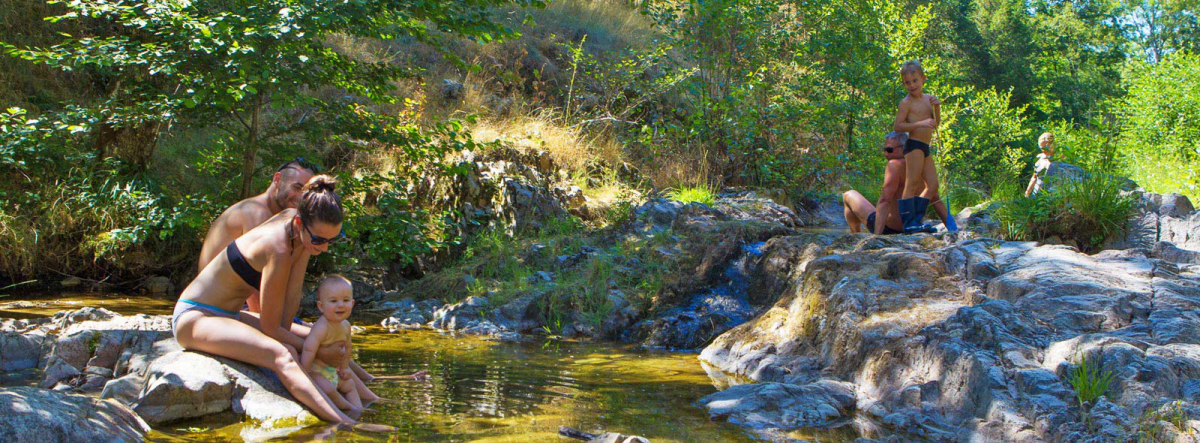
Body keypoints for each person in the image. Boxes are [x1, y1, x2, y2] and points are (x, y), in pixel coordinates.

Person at [173, 175, 379, 427]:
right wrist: (315, 350)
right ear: (301, 223)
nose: (325, 248)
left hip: (231, 316)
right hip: (196, 316)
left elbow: (289, 306)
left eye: (332, 240)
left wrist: (315, 343)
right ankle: (346, 422)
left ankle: (370, 398)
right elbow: (271, 328)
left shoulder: (298, 227)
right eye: (319, 240)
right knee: (284, 353)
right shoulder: (278, 249)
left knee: (321, 334)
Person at [893, 60, 958, 233]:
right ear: (904, 84)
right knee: (912, 183)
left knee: (933, 185)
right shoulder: (906, 103)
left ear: (923, 79)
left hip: (925, 146)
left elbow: (936, 124)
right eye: (907, 82)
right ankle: (909, 223)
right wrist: (919, 124)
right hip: (913, 145)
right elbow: (898, 126)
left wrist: (936, 108)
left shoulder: (928, 99)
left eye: (915, 80)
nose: (912, 85)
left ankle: (916, 218)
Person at [302, 275, 372, 411]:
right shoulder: (321, 327)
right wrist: (304, 372)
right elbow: (308, 349)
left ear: (352, 303)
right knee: (328, 389)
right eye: (333, 301)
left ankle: (358, 410)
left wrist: (344, 367)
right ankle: (347, 408)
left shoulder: (346, 326)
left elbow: (348, 348)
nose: (340, 305)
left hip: (332, 371)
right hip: (316, 371)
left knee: (350, 385)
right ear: (321, 306)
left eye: (345, 300)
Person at [844, 132, 910, 235]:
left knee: (848, 195)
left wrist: (877, 236)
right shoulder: (922, 164)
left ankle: (855, 236)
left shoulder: (894, 165)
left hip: (890, 229)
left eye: (890, 150)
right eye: (884, 150)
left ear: (904, 147)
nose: (886, 154)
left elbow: (885, 201)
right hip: (913, 227)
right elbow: (934, 196)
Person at [1024, 132, 1055, 197]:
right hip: (1036, 195)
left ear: (1052, 145)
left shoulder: (1059, 158)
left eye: (1046, 147)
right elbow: (1034, 177)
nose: (1044, 150)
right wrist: (1027, 193)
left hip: (1052, 195)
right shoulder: (1039, 158)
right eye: (1042, 148)